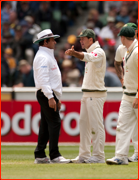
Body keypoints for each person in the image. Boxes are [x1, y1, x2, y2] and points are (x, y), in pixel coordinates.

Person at [65, 29, 107, 163]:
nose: (80, 41)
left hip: (95, 94)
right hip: (87, 93)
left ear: (91, 39)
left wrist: (74, 53)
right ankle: (84, 155)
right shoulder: (90, 51)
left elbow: (88, 57)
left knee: (96, 126)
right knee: (84, 125)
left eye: (83, 39)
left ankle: (99, 156)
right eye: (80, 39)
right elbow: (87, 56)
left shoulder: (98, 52)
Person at [33, 29, 70, 164]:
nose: (55, 42)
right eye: (52, 39)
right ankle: (54, 155)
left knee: (45, 124)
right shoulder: (43, 57)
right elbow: (43, 79)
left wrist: (56, 97)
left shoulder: (46, 55)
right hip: (45, 93)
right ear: (45, 41)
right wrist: (50, 96)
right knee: (55, 122)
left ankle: (40, 154)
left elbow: (50, 79)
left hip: (48, 93)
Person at [106, 26, 138, 165]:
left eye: (120, 37)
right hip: (127, 94)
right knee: (122, 125)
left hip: (136, 95)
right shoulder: (126, 51)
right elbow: (118, 64)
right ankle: (120, 156)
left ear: (123, 37)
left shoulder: (136, 52)